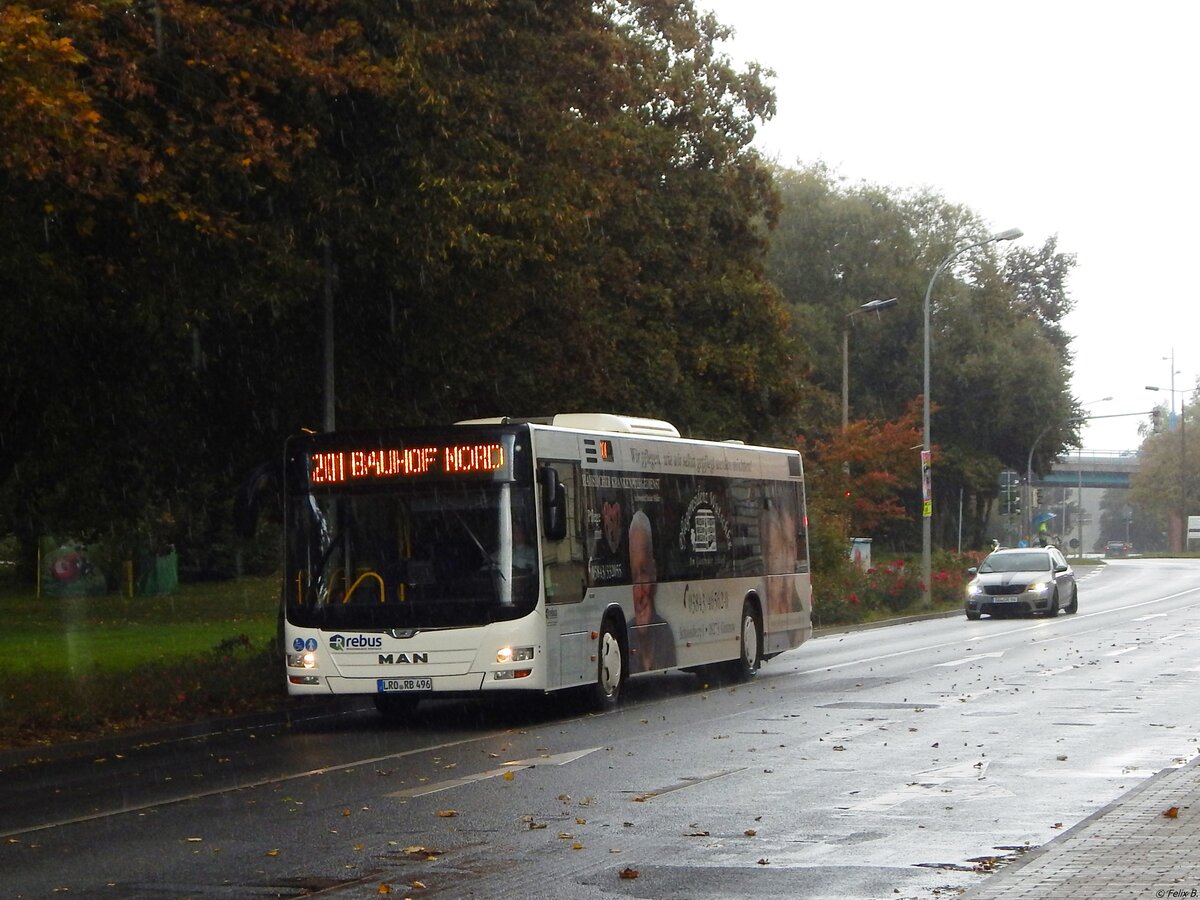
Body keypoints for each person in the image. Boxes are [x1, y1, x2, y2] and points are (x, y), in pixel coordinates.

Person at [628, 510, 676, 672]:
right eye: (634, 577)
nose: (640, 594)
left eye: (643, 573)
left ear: (654, 572)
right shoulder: (625, 636)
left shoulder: (665, 633)